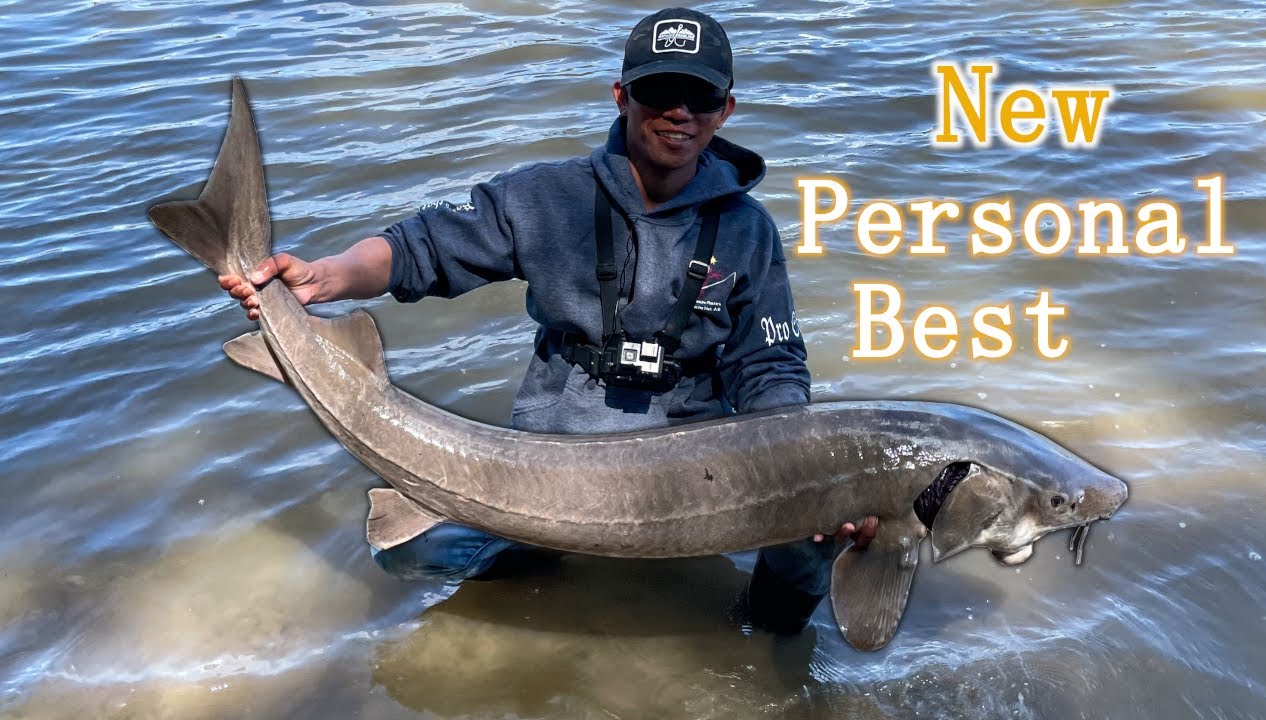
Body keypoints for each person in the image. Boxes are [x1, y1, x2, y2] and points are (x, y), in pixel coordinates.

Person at [220, 7, 876, 634]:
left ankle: (760, 652)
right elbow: (423, 249)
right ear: (622, 95)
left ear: (725, 110)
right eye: (659, 91)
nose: (678, 112)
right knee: (406, 554)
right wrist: (327, 277)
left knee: (813, 546)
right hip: (551, 459)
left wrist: (807, 468)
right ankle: (551, 575)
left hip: (687, 476)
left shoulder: (747, 230)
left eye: (699, 98)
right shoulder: (546, 196)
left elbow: (770, 366)